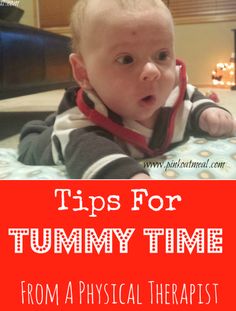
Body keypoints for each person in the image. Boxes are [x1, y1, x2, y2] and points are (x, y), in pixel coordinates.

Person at [18, 0, 236, 179]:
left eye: (162, 55)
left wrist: (207, 111)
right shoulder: (82, 125)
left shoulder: (172, 90)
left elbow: (190, 97)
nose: (152, 71)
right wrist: (128, 177)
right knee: (41, 137)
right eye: (126, 59)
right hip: (41, 141)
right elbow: (92, 154)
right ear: (83, 73)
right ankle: (42, 125)